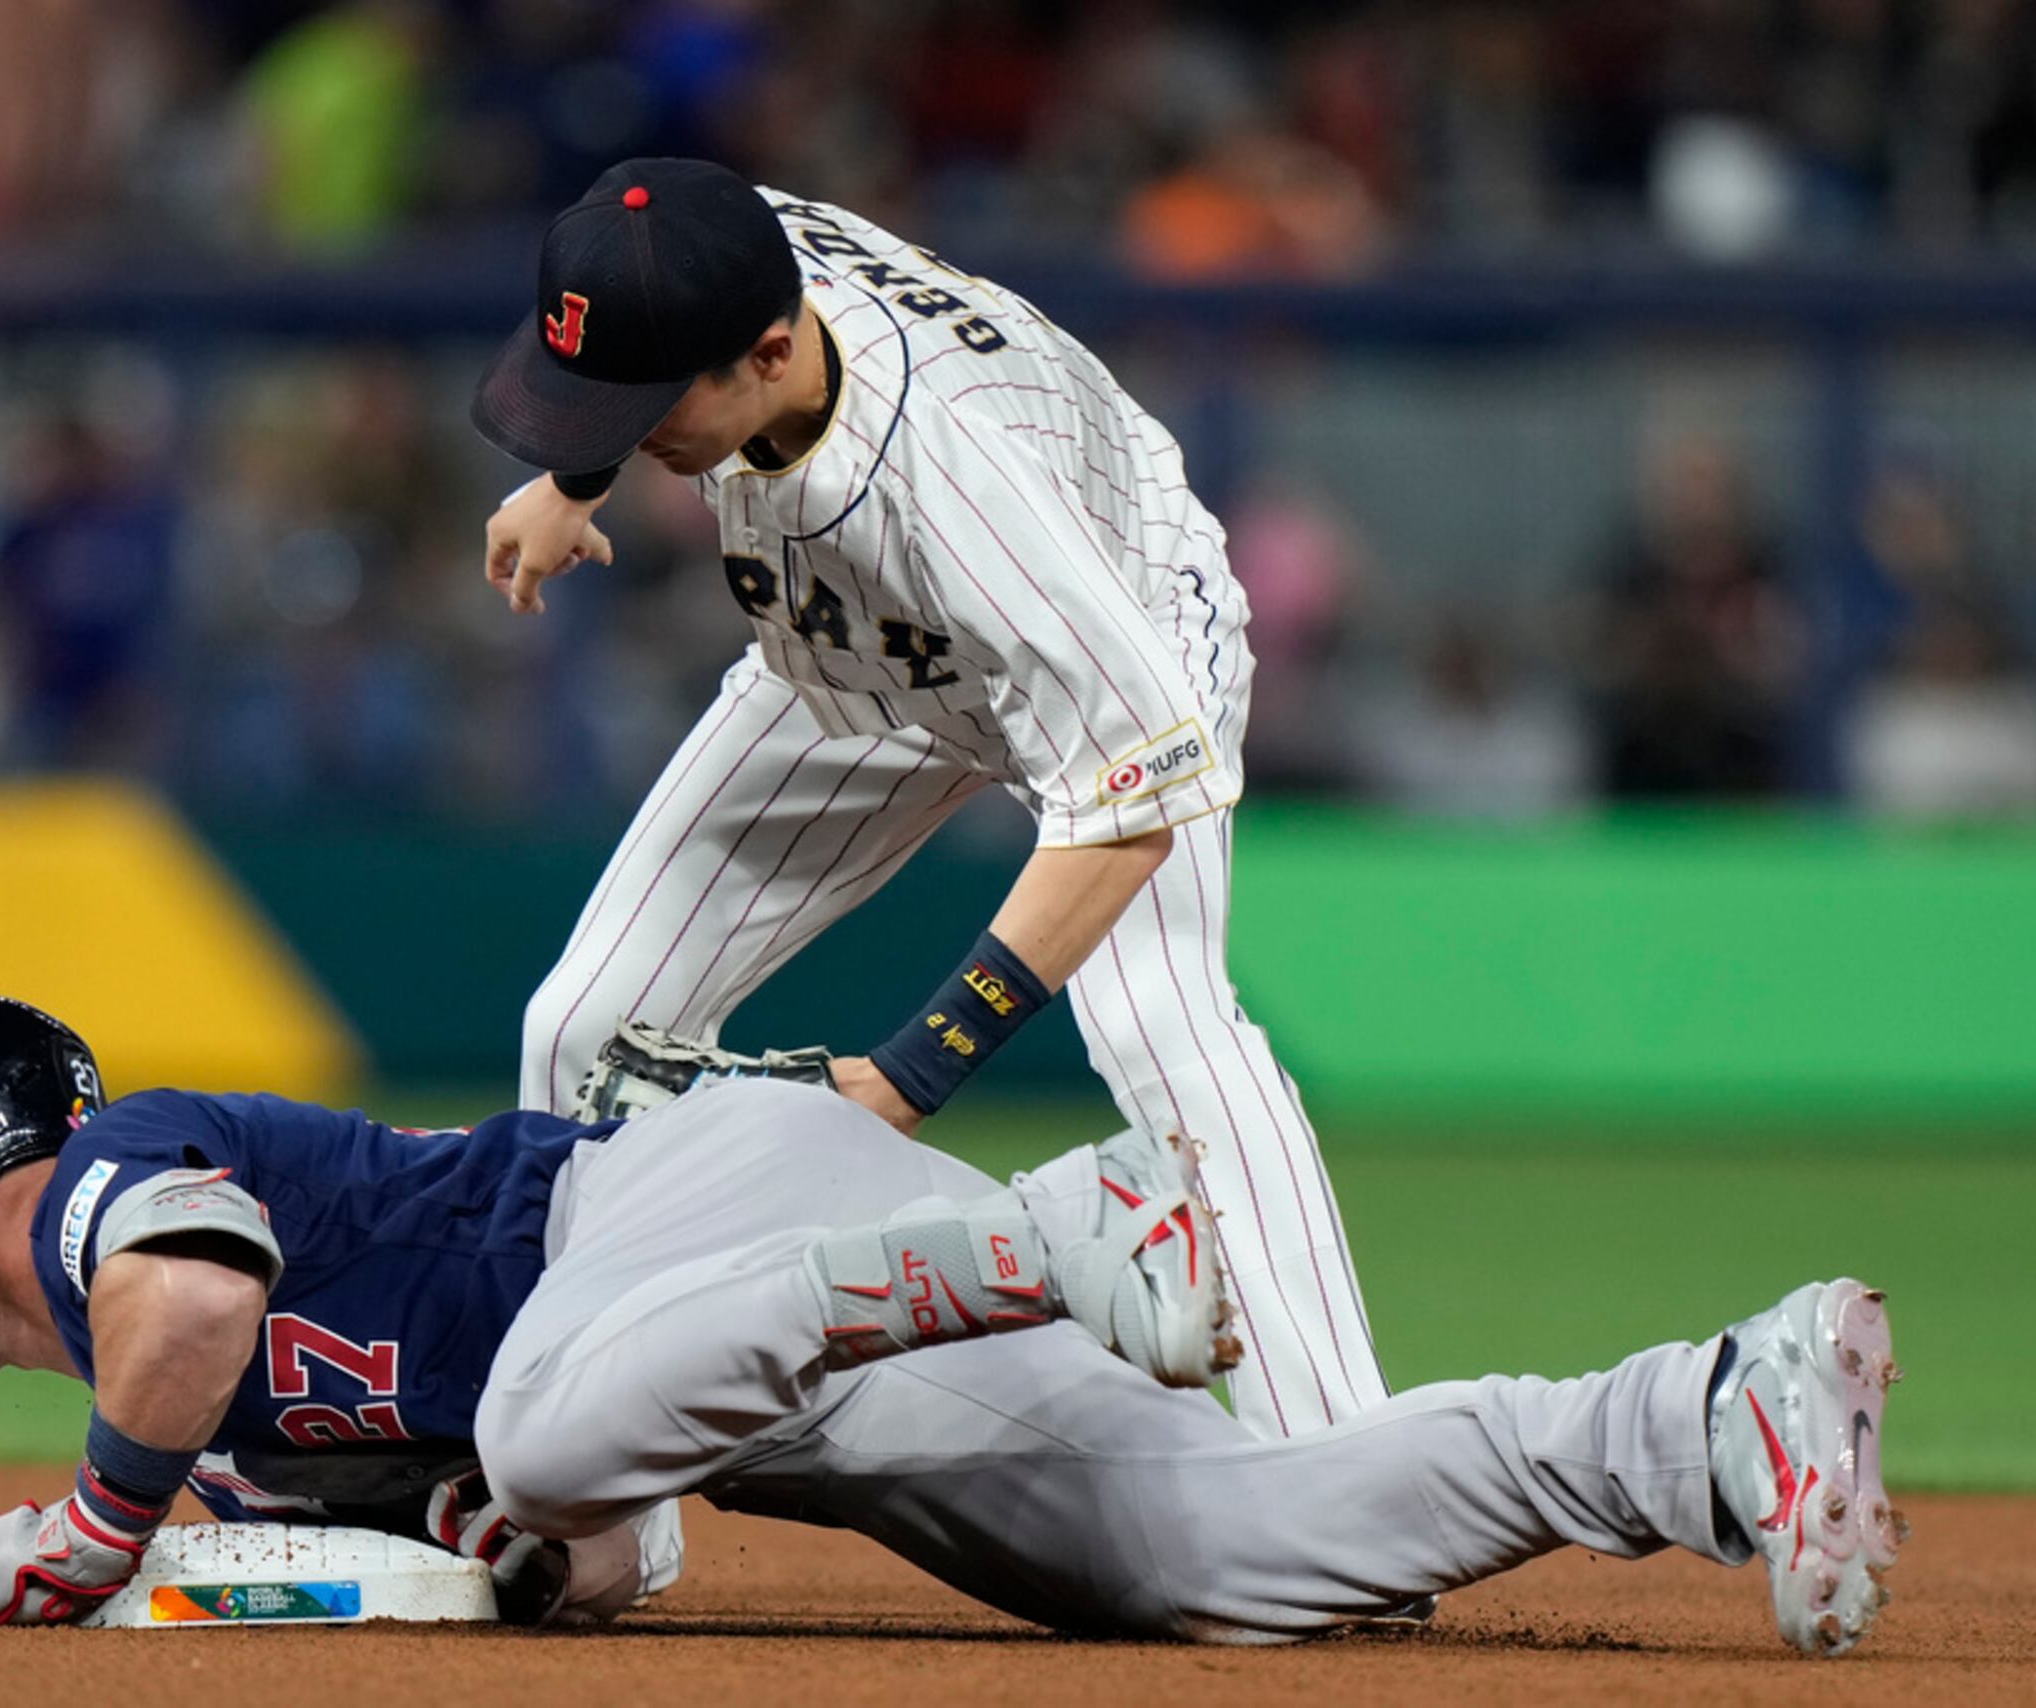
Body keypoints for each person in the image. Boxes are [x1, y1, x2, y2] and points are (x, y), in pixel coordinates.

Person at [0, 992, 1906, 1656]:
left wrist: (101, 1520)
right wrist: (531, 1571)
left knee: (544, 1415)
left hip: (689, 1202)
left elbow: (194, 1305)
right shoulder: (227, 1442)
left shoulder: (119, 1179)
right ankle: (1707, 1416)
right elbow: (610, 1534)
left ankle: (1069, 1228)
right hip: (770, 1373)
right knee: (1209, 1563)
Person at [473, 158, 1383, 1449]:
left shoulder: (962, 489)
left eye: (636, 407)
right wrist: (572, 480)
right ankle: (584, 1472)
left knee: (1163, 1028)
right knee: (586, 1029)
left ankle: (1348, 1468)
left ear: (772, 349)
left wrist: (916, 1071)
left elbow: (1127, 804)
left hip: (1100, 627)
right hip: (856, 647)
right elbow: (651, 320)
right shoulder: (710, 250)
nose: (611, 423)